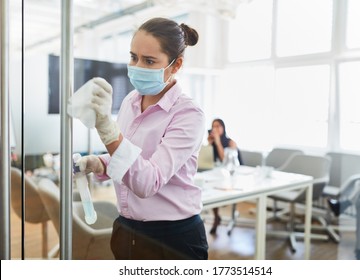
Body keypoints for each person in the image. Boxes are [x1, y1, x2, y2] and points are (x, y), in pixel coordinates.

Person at [74, 17, 208, 260]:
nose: (136, 66)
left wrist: (107, 128)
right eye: (133, 57)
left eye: (149, 61)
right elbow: (133, 155)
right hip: (126, 230)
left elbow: (148, 180)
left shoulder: (188, 114)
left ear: (176, 65)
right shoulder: (130, 101)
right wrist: (100, 163)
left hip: (172, 239)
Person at [207, 118, 242, 234]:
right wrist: (209, 144)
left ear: (223, 128)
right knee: (211, 186)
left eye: (218, 126)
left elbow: (225, 160)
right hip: (220, 174)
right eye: (213, 126)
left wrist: (217, 142)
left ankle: (219, 211)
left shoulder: (230, 142)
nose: (215, 129)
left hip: (235, 174)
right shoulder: (212, 142)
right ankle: (216, 216)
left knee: (217, 188)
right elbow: (207, 161)